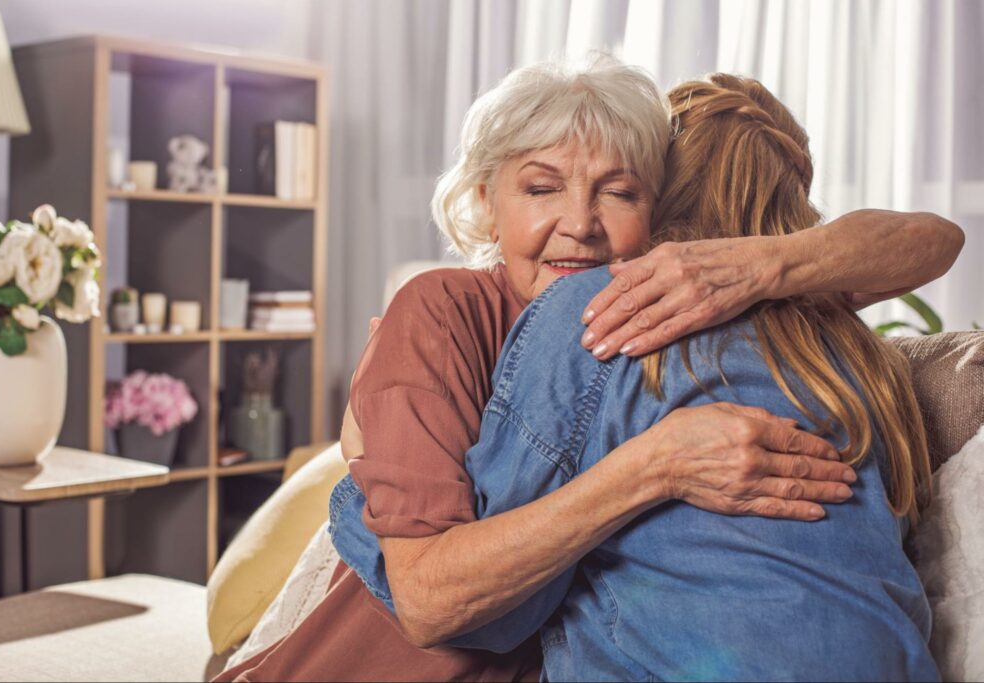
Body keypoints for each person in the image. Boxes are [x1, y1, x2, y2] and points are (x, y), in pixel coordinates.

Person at [216, 58, 962, 682]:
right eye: (541, 188)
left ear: (660, 208)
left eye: (618, 190)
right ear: (487, 201)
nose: (579, 221)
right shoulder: (448, 309)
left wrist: (755, 263)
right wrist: (660, 464)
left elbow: (935, 240)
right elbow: (433, 600)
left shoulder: (678, 303)